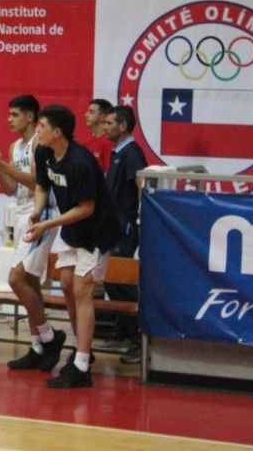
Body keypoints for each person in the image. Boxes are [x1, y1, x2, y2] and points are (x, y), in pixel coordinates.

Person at [27, 105, 122, 389]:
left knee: (82, 290)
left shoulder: (80, 162)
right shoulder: (44, 152)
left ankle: (81, 365)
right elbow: (42, 186)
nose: (37, 130)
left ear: (57, 133)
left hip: (96, 232)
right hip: (72, 230)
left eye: (42, 126)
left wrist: (47, 224)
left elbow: (87, 208)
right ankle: (84, 350)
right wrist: (38, 211)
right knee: (67, 284)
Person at [0, 95, 67, 372]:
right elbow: (10, 189)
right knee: (29, 282)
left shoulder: (40, 143)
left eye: (14, 114)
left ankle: (50, 337)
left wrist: (2, 164)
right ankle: (37, 345)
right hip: (21, 213)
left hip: (42, 213)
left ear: (30, 117)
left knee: (15, 279)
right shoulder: (14, 147)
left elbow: (38, 183)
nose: (9, 119)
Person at [101, 105, 147, 362]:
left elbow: (142, 185)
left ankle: (140, 339)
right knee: (111, 278)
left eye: (109, 123)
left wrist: (141, 219)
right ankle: (122, 331)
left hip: (125, 227)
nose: (105, 127)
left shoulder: (131, 153)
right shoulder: (118, 152)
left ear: (123, 126)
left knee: (122, 280)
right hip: (113, 226)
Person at [81, 98, 113, 172]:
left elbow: (110, 174)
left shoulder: (109, 142)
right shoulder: (86, 144)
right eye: (87, 111)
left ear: (103, 117)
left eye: (91, 112)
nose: (86, 115)